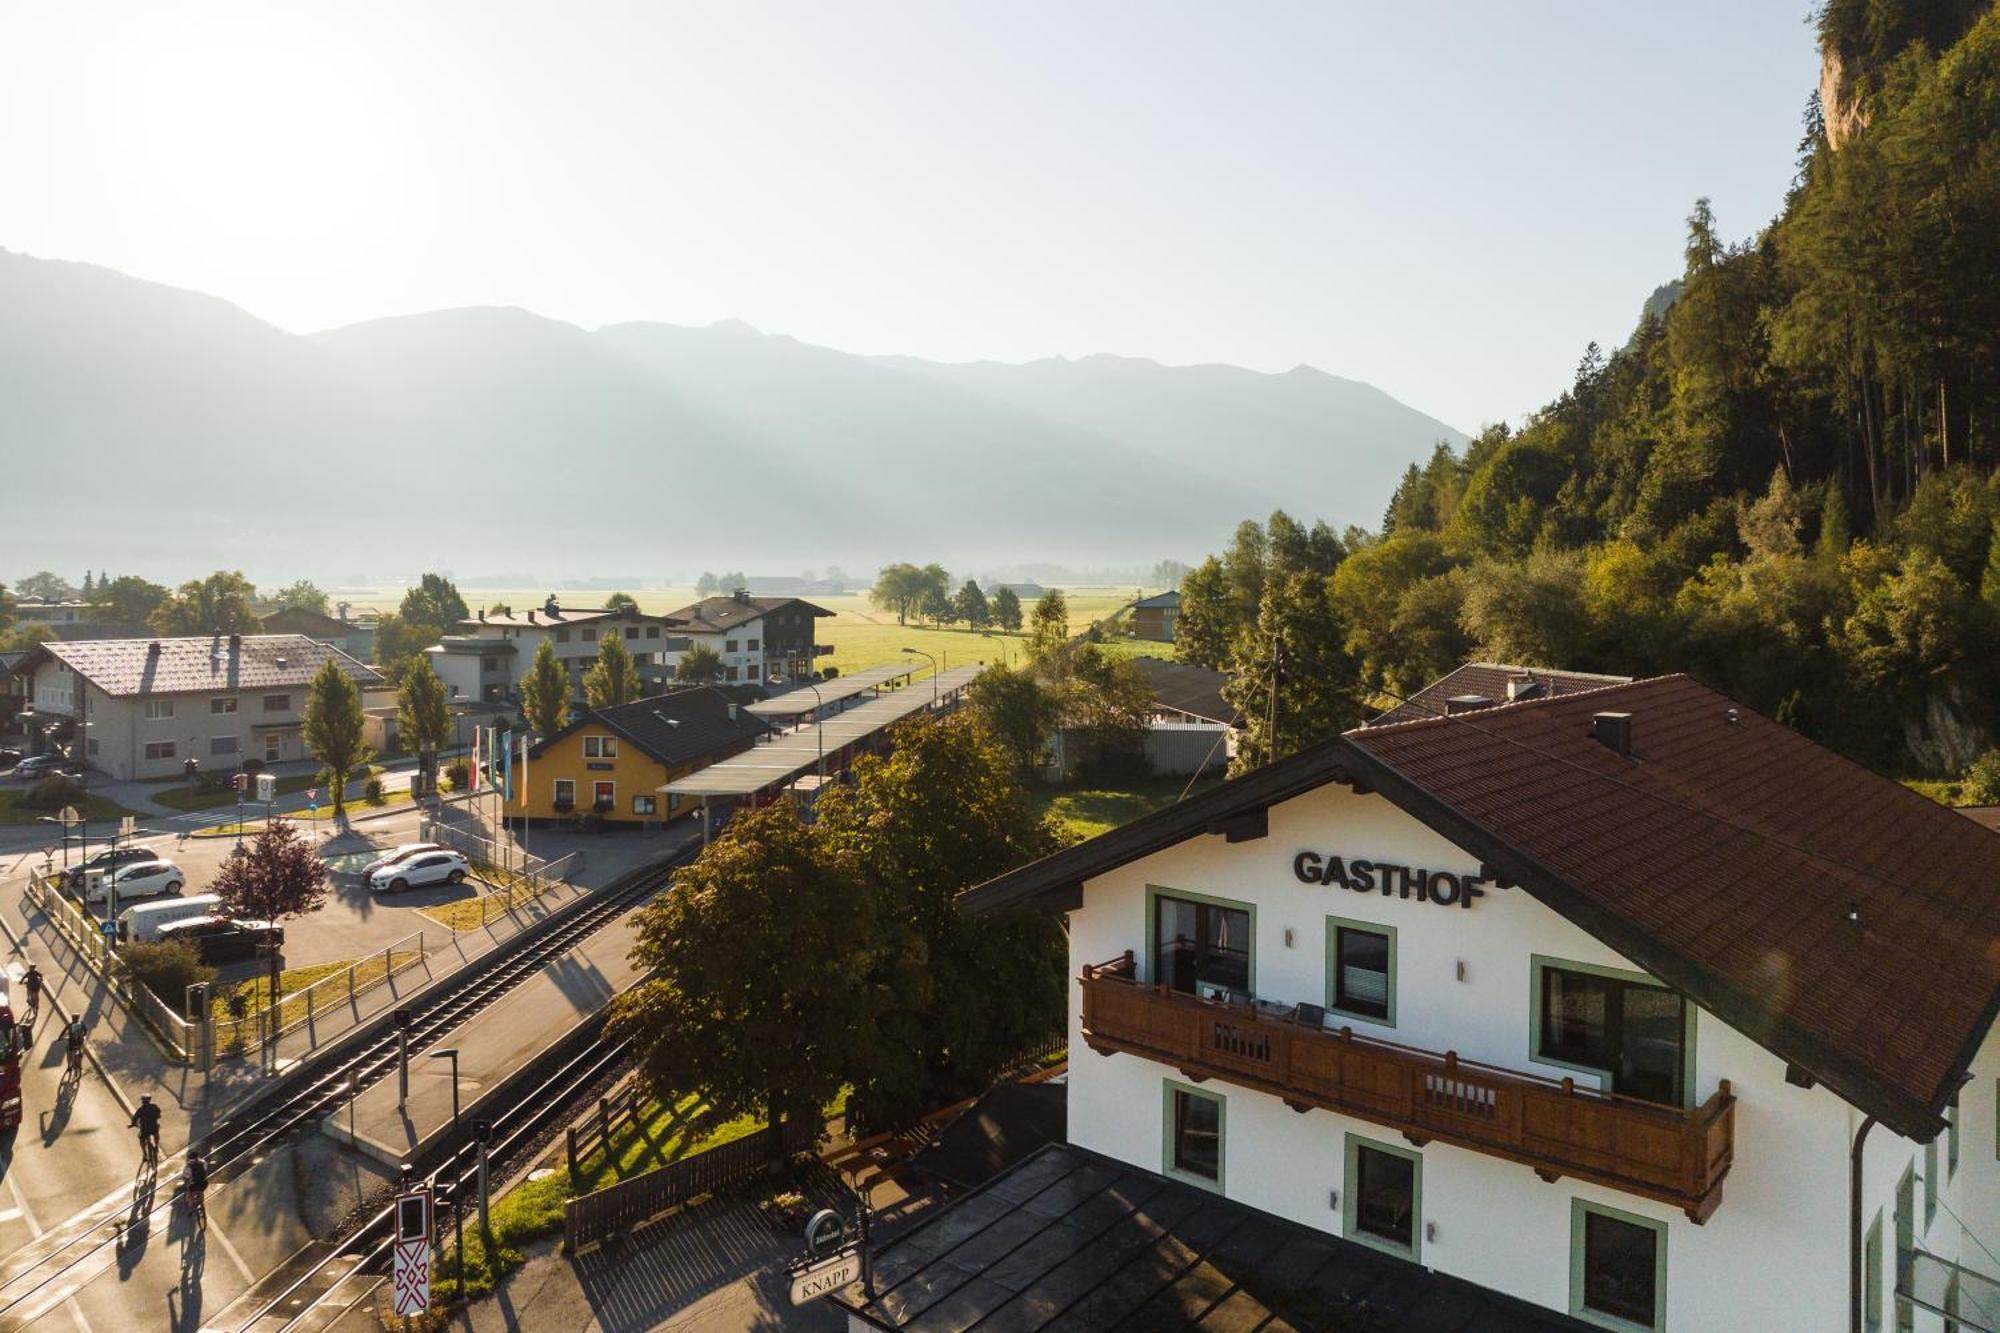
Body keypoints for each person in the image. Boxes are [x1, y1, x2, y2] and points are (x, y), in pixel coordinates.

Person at [132, 1094, 162, 1163]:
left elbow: (134, 1118)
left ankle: (145, 1154)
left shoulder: (140, 1110)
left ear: (142, 1102)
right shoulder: (154, 1106)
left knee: (142, 1140)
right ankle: (156, 1145)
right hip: (153, 1126)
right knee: (156, 1133)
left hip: (145, 1129)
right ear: (149, 1100)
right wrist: (157, 1117)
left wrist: (133, 1124)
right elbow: (159, 1114)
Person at [182, 1152, 208, 1226]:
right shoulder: (203, 1162)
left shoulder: (189, 1165)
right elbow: (205, 1171)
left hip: (194, 1185)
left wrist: (184, 1179)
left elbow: (186, 1176)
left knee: (189, 1193)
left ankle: (191, 1209)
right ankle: (201, 1203)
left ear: (189, 1158)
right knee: (201, 1190)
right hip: (204, 1183)